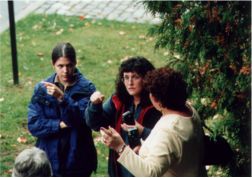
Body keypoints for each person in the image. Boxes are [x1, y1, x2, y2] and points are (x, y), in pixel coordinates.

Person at [100, 67, 207, 176]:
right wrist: (144, 148)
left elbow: (149, 174)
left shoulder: (169, 130)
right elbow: (173, 150)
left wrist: (120, 147)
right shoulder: (189, 110)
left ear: (156, 99)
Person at [27, 42, 97, 176]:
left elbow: (83, 120)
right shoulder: (42, 89)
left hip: (77, 158)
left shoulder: (87, 89)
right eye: (60, 66)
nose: (65, 71)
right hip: (48, 157)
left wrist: (62, 98)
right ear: (53, 64)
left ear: (75, 63)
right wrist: (59, 125)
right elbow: (34, 124)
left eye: (69, 65)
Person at [85, 56, 161, 176]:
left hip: (145, 168)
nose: (130, 83)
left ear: (146, 79)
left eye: (135, 77)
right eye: (126, 77)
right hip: (118, 167)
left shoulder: (157, 105)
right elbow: (95, 124)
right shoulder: (119, 99)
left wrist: (142, 132)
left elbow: (164, 139)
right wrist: (94, 105)